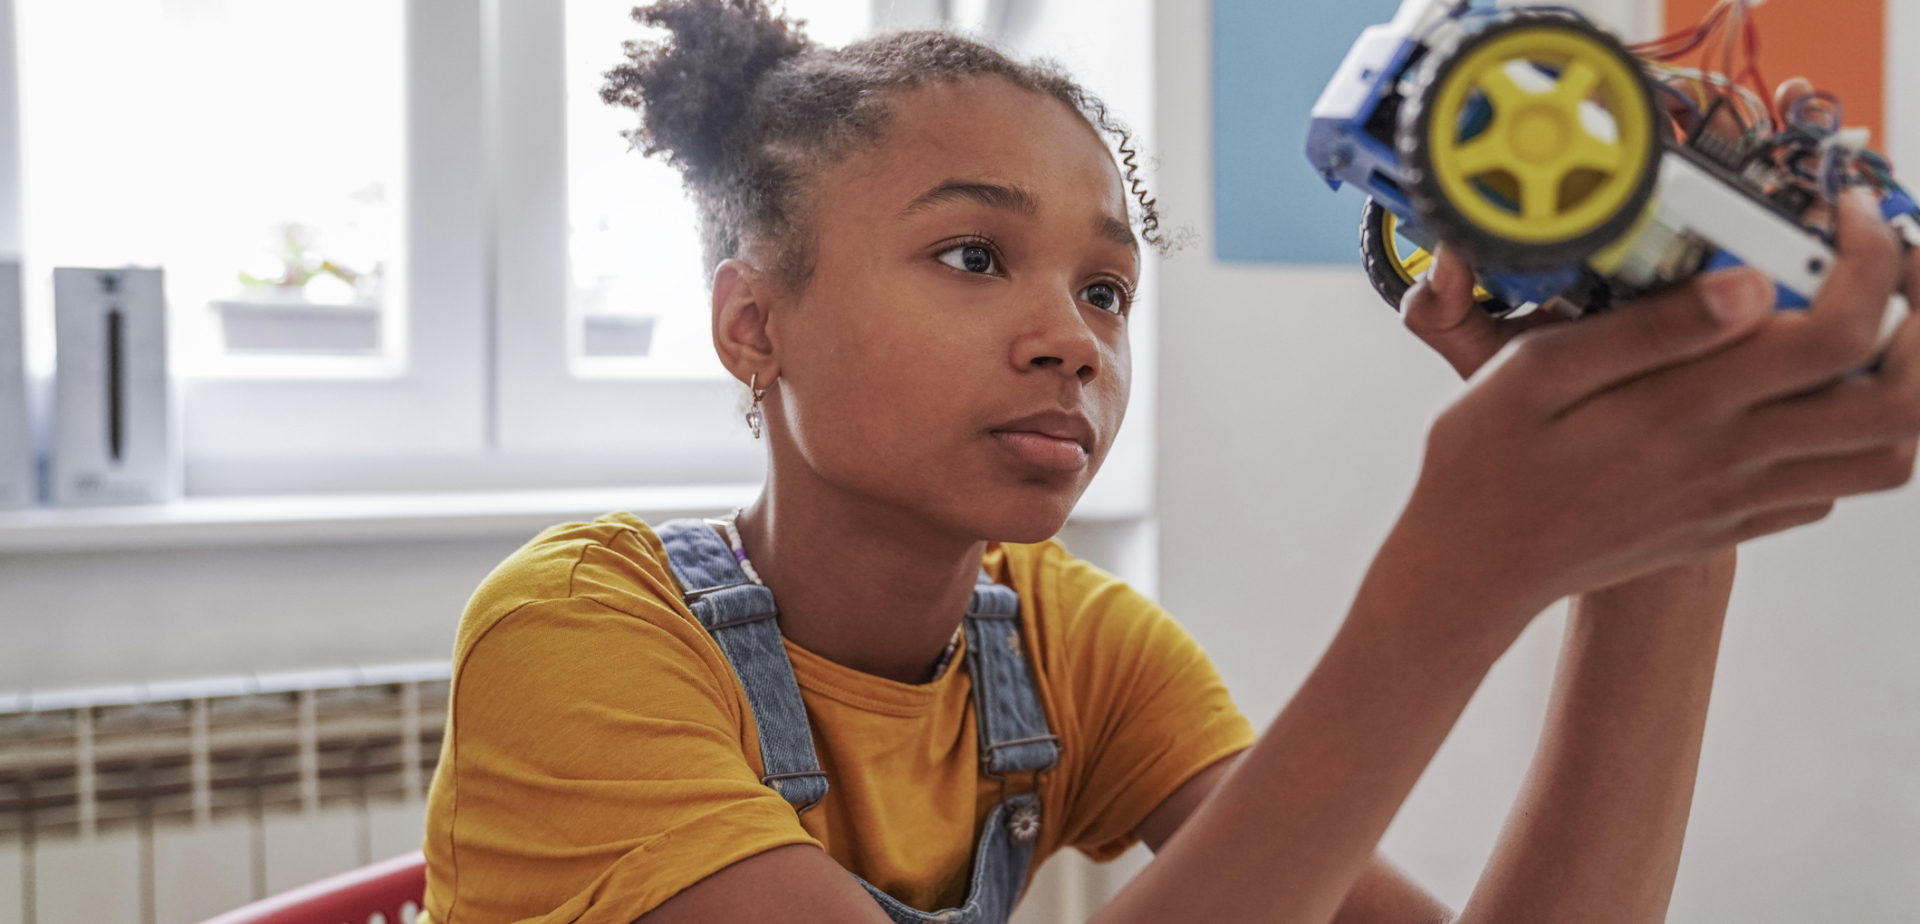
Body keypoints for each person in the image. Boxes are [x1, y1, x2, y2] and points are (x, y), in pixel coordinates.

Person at [420, 2, 1920, 922]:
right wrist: (1450, 588)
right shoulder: (577, 635)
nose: (1072, 339)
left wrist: (1661, 534)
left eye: (1107, 291)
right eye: (969, 253)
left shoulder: (1065, 647)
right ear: (755, 323)